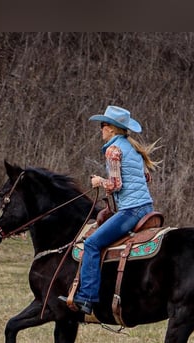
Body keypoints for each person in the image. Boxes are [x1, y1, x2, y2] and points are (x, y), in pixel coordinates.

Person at [63, 105, 160, 315]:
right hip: (146, 208)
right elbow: (146, 178)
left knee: (91, 244)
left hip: (131, 211)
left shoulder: (113, 150)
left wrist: (100, 181)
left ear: (113, 129)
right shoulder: (133, 149)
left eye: (103, 125)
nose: (101, 129)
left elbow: (116, 184)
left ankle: (87, 298)